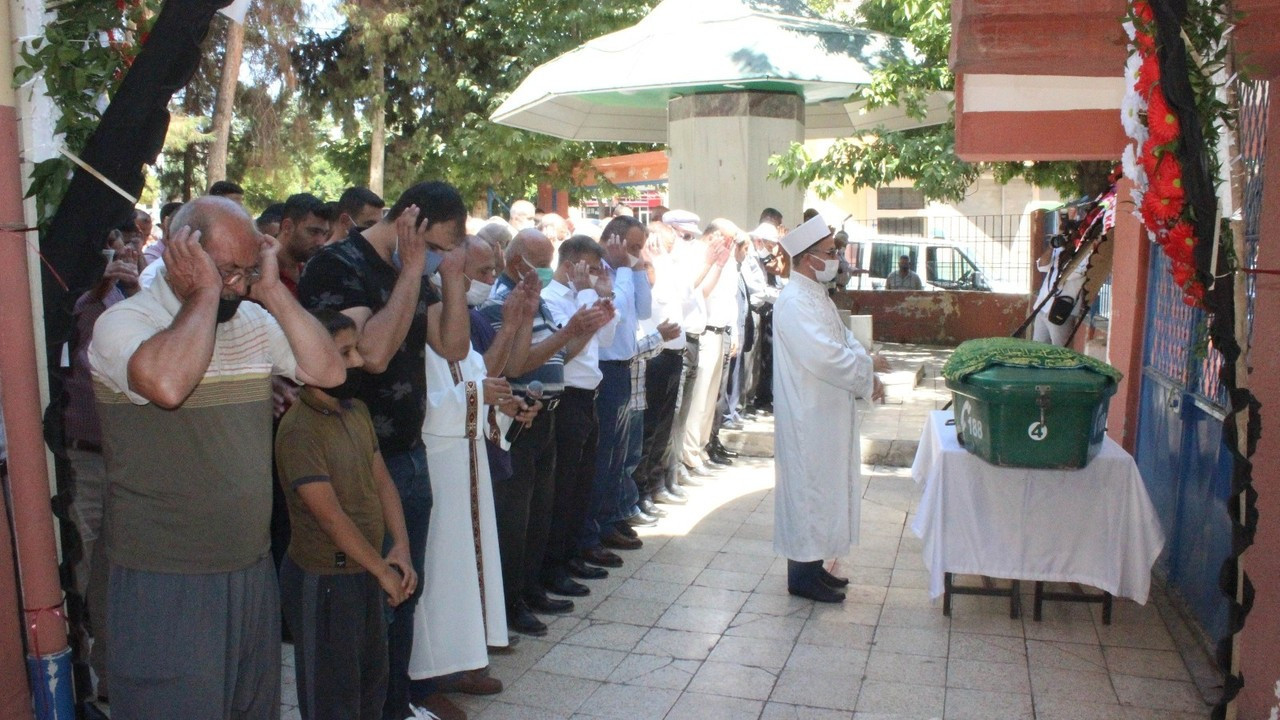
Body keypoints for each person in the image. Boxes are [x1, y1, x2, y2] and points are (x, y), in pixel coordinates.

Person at [87, 196, 345, 718]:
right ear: (185, 254)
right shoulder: (125, 323)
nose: (238, 285)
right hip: (166, 577)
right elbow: (166, 384)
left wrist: (271, 288)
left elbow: (328, 371)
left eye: (248, 270)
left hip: (249, 569)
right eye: (227, 270)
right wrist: (205, 293)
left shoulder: (251, 316)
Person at [297, 181, 471, 720]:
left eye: (448, 248)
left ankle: (396, 707)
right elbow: (369, 353)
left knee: (404, 591)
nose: (438, 255)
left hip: (406, 451)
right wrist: (414, 272)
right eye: (436, 244)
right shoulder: (338, 265)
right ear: (408, 221)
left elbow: (453, 345)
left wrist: (454, 280)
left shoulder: (418, 265)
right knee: (367, 607)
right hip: (353, 460)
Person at [408, 237, 538, 705]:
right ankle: (426, 675)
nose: (487, 281)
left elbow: (479, 375)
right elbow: (424, 405)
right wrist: (483, 395)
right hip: (436, 462)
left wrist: (505, 403)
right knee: (440, 566)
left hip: (466, 461)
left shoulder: (458, 321)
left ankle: (460, 660)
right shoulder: (421, 319)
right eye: (479, 270)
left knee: (465, 563)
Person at [276, 309, 417, 720]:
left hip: (365, 570)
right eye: (345, 353)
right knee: (332, 700)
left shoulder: (355, 410)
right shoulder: (300, 429)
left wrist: (401, 549)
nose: (357, 361)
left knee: (369, 689)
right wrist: (382, 571)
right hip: (326, 581)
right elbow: (331, 518)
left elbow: (382, 481)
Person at [479, 229, 612, 637]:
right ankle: (511, 601)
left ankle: (531, 587)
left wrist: (585, 328)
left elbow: (558, 354)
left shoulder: (532, 297)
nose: (542, 269)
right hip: (519, 420)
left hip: (547, 414)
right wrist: (568, 329)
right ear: (514, 259)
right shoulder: (504, 300)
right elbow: (517, 364)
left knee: (540, 515)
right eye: (536, 260)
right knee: (517, 519)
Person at [772, 213, 887, 603]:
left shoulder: (815, 296)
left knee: (825, 490)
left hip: (826, 412)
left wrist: (865, 366)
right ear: (808, 259)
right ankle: (800, 577)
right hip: (808, 416)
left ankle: (815, 566)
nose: (836, 257)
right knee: (809, 492)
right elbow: (825, 358)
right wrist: (864, 376)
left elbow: (845, 341)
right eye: (830, 252)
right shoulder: (793, 302)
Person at [63, 227, 142, 705]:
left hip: (123, 459)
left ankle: (112, 681)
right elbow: (71, 340)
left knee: (113, 578)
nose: (124, 251)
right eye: (113, 241)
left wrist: (131, 291)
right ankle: (72, 678)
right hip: (82, 458)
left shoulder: (130, 295)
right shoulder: (73, 295)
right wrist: (95, 288)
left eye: (129, 240)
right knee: (79, 568)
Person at [1033, 238, 1090, 346]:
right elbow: (1042, 266)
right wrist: (1051, 247)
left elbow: (1074, 274)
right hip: (1043, 307)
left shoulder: (1085, 252)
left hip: (1061, 310)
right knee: (1037, 349)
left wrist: (1068, 254)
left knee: (1060, 352)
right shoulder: (1059, 249)